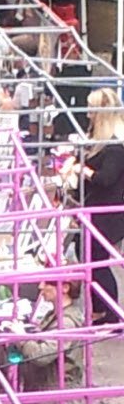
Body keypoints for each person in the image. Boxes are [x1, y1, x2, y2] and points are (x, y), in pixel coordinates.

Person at [11, 278, 86, 404]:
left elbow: (42, 355)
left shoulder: (68, 322)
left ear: (65, 287)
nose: (40, 287)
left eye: (47, 284)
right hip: (45, 401)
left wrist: (21, 338)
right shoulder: (55, 315)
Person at [72, 87, 124, 323]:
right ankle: (102, 308)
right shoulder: (100, 141)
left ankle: (109, 311)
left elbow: (107, 178)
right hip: (94, 209)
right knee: (89, 256)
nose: (88, 115)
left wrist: (84, 171)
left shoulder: (115, 146)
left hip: (106, 214)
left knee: (97, 260)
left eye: (92, 110)